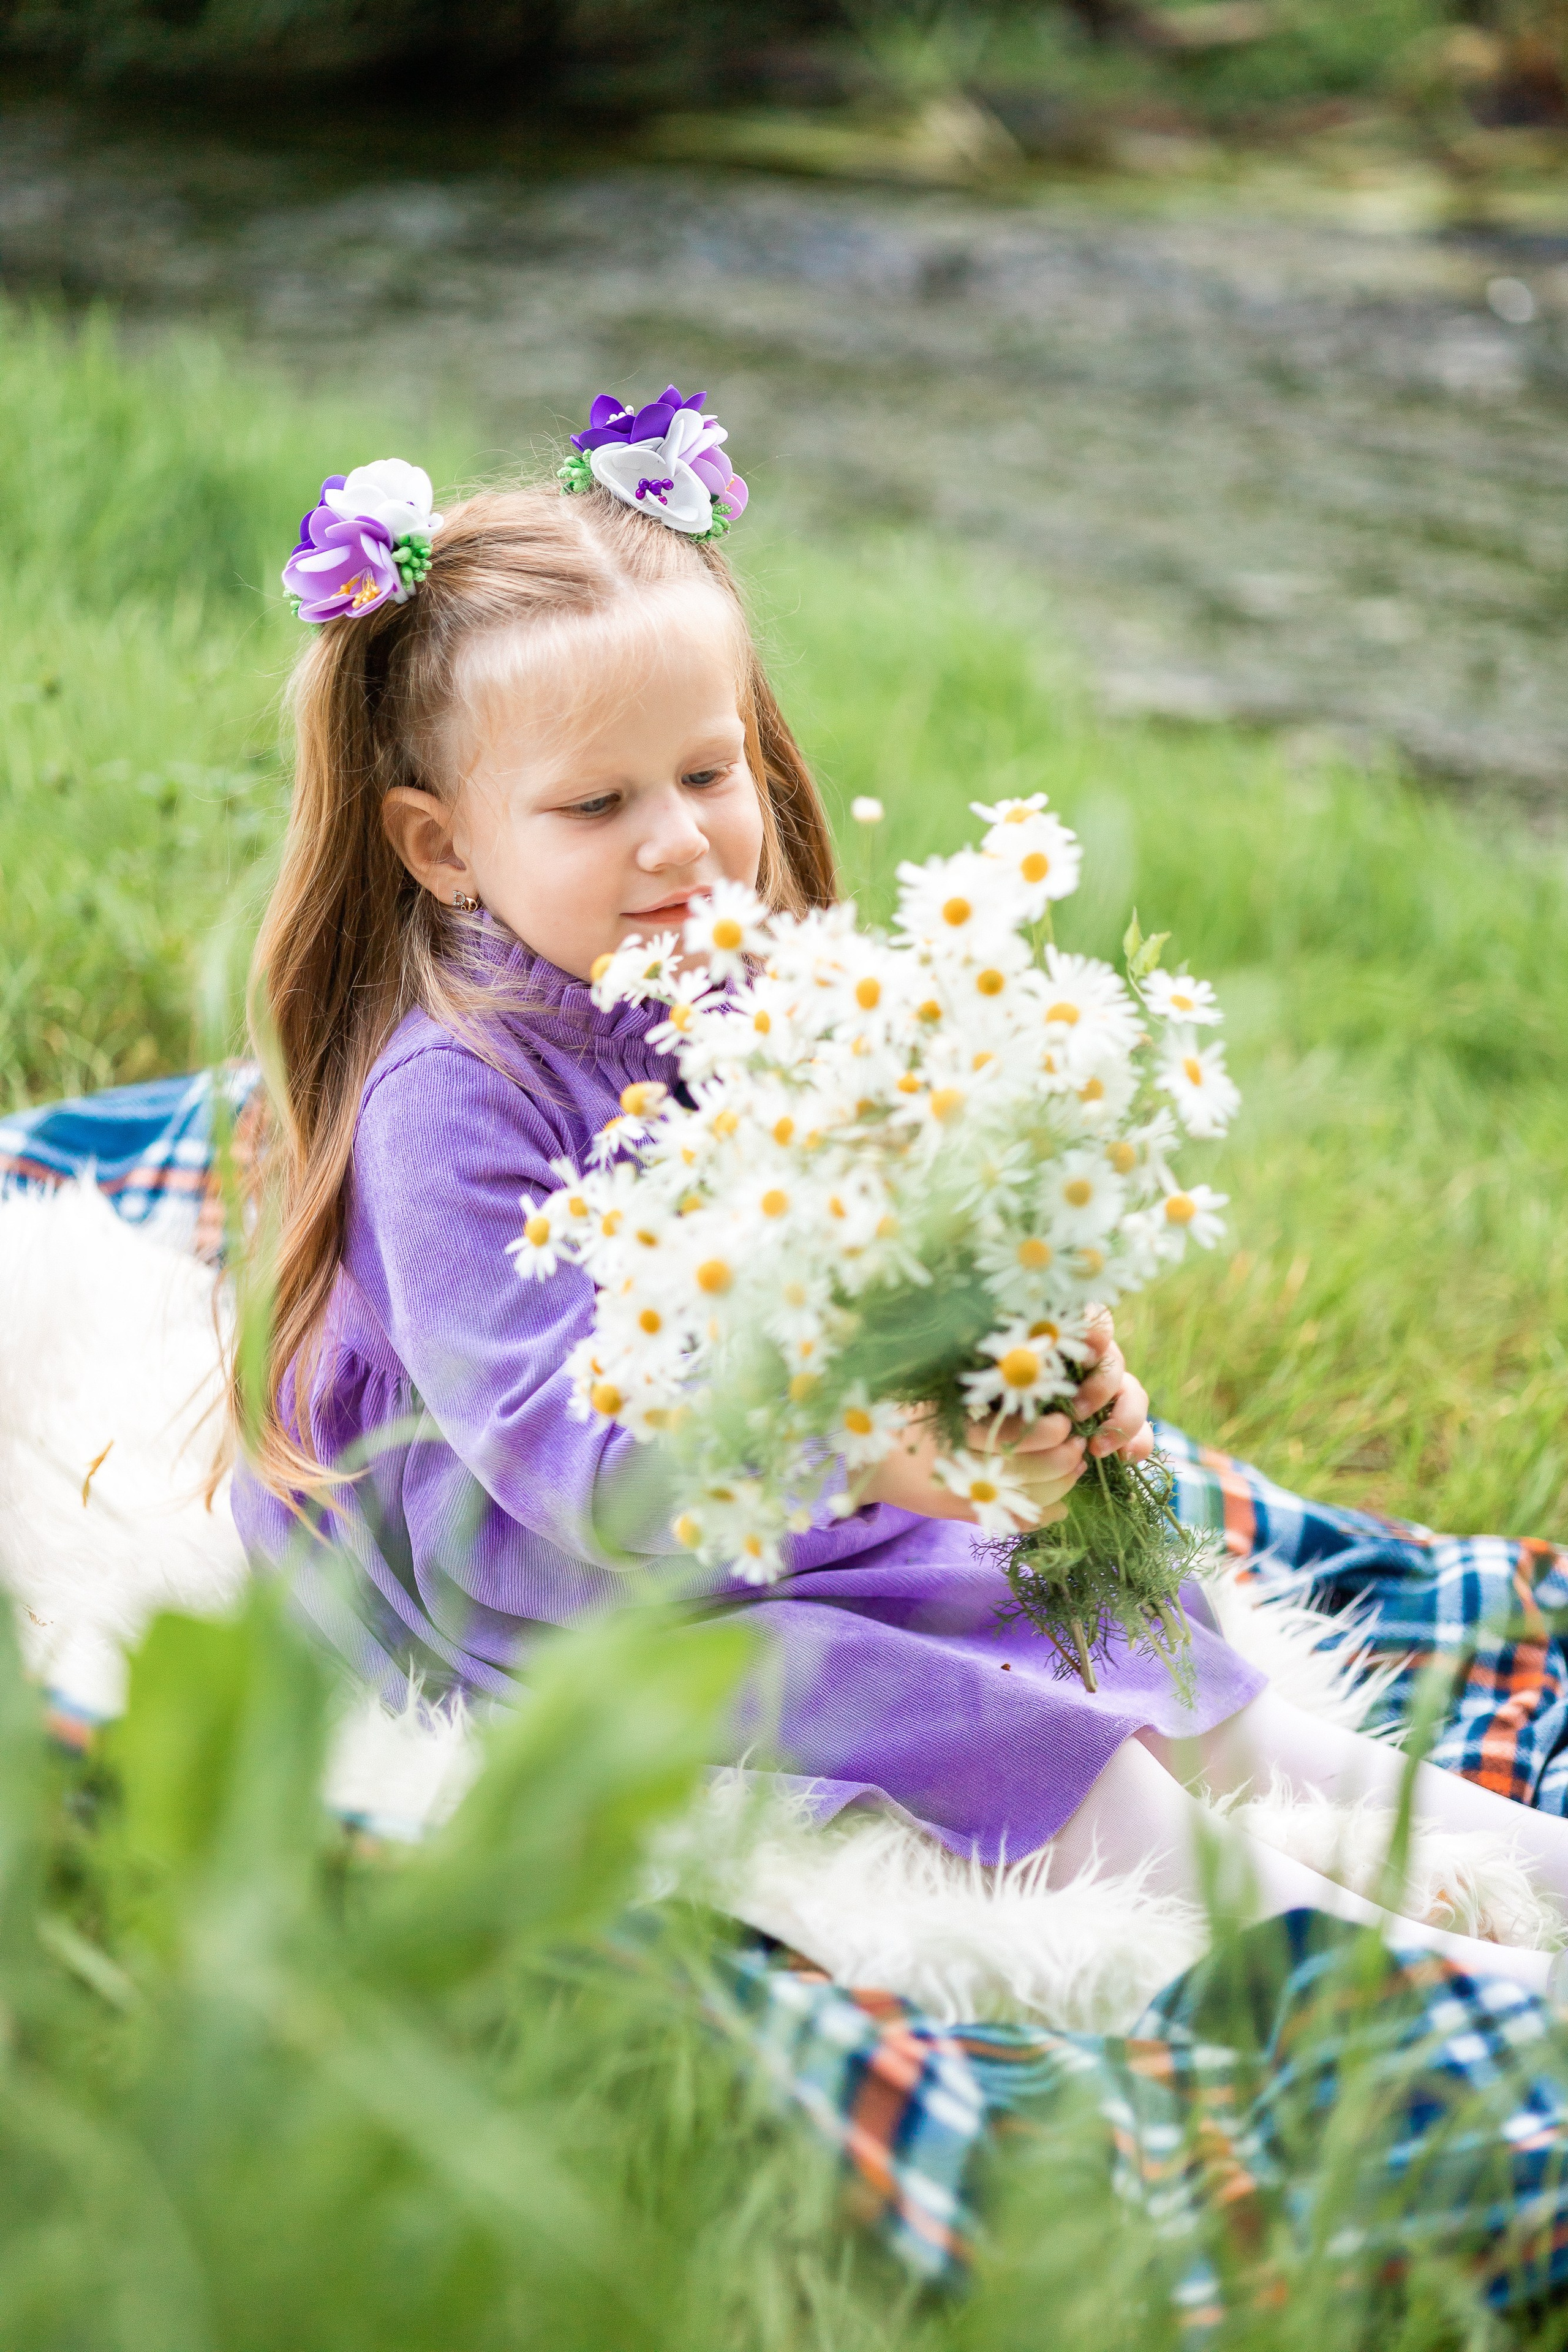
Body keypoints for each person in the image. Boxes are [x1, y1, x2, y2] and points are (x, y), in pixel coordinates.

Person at [232, 396, 1568, 1992]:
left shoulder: (759, 989)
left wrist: (1025, 1369)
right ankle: (1350, 1955)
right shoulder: (450, 1101)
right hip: (546, 1579)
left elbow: (887, 1243)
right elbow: (565, 1462)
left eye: (707, 771)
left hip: (774, 1468)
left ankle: (1424, 1823)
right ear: (441, 847)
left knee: (1082, 1588)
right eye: (597, 805)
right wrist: (873, 1452)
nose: (681, 843)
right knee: (906, 1689)